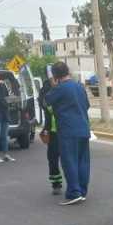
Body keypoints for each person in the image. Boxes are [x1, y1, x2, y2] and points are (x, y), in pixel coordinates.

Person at [44, 62, 90, 206]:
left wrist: (53, 85)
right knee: (83, 161)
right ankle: (82, 191)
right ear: (67, 71)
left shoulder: (60, 88)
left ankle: (73, 193)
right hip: (83, 128)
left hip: (68, 130)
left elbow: (46, 102)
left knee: (69, 161)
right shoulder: (79, 87)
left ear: (56, 75)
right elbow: (87, 105)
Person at [38, 70, 63, 196]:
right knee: (53, 159)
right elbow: (43, 103)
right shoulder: (46, 89)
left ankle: (73, 184)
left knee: (67, 159)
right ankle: (56, 183)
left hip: (65, 131)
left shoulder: (64, 87)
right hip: (53, 132)